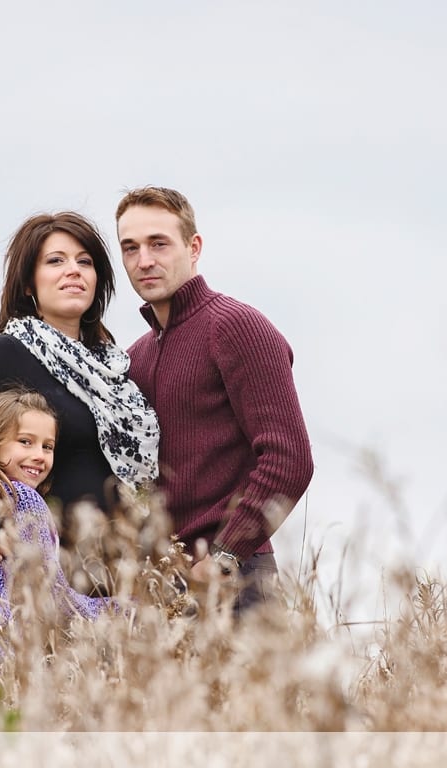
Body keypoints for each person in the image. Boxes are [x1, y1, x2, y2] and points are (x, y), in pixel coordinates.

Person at [0, 212, 159, 590]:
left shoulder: (114, 370)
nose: (73, 271)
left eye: (85, 262)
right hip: (48, 583)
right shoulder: (6, 355)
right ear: (29, 283)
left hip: (122, 582)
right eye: (55, 261)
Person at [115, 187, 314, 613]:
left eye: (158, 243)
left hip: (238, 583)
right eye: (130, 248)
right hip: (161, 594)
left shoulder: (237, 327)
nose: (144, 260)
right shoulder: (135, 357)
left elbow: (289, 459)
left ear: (194, 247)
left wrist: (224, 558)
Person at [0, 390, 122, 655]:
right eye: (25, 442)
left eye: (47, 447)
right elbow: (54, 601)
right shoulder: (24, 501)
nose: (40, 455)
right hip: (12, 656)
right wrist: (121, 610)